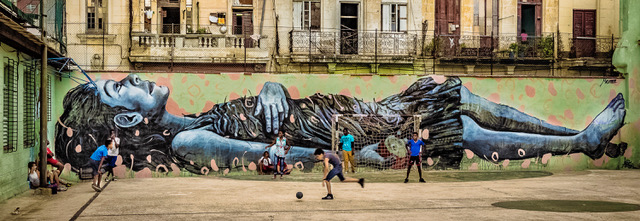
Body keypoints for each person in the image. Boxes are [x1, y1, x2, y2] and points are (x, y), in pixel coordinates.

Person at [55, 75, 626, 174]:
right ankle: (582, 139)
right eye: (120, 86)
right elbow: (277, 154)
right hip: (338, 128)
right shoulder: (191, 140)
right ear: (129, 117)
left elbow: (265, 115)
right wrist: (353, 158)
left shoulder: (194, 122)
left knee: (453, 98)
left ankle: (580, 137)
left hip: (337, 114)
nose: (131, 76)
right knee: (459, 121)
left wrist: (273, 87)